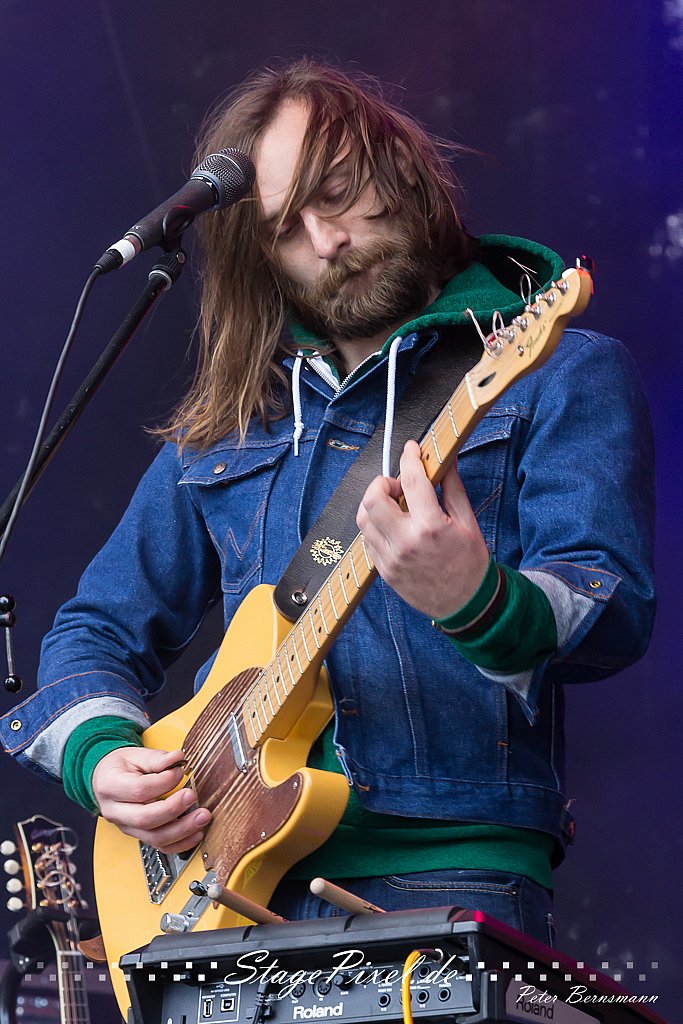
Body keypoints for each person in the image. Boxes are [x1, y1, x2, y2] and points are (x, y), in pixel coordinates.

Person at [0, 59, 655, 946]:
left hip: (442, 867)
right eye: (285, 229)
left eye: (339, 195)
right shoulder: (234, 424)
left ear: (403, 173)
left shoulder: (557, 370)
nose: (327, 239)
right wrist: (102, 757)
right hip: (219, 887)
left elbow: (611, 609)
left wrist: (477, 600)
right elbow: (93, 631)